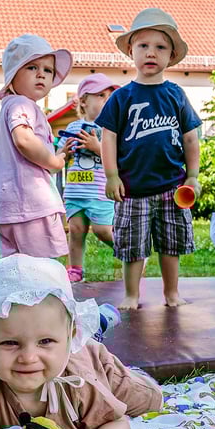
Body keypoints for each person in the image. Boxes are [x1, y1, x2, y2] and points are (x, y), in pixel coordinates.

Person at [0, 254, 163, 429]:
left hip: (97, 364)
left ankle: (96, 330)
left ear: (69, 338)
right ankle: (95, 326)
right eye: (9, 343)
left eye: (45, 341)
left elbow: (118, 424)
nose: (28, 357)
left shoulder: (82, 383)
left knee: (149, 400)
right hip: (70, 346)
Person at [95, 8, 202, 310]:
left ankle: (171, 293)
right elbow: (109, 138)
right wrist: (112, 175)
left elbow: (190, 137)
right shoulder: (121, 97)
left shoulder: (176, 95)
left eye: (160, 47)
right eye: (143, 46)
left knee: (171, 245)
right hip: (132, 189)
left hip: (172, 188)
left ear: (171, 56)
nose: (151, 53)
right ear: (131, 51)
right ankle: (132, 295)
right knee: (132, 247)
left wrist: (192, 175)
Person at [0, 35, 73, 267]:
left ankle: (17, 303)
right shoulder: (22, 104)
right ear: (13, 74)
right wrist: (53, 162)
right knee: (42, 267)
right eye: (32, 67)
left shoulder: (11, 106)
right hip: (30, 206)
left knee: (16, 269)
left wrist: (57, 151)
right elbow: (24, 140)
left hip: (7, 207)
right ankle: (44, 302)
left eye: (48, 70)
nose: (41, 74)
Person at [57, 74, 120, 282]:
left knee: (103, 230)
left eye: (110, 96)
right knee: (75, 230)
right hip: (75, 191)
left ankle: (130, 252)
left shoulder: (110, 129)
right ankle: (75, 269)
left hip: (100, 191)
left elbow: (118, 159)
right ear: (83, 100)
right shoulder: (73, 127)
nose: (107, 100)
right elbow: (59, 156)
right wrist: (65, 152)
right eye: (101, 95)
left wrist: (97, 147)